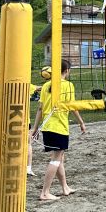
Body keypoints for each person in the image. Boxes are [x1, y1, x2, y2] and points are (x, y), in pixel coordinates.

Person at [31, 60, 86, 201]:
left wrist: (35, 128)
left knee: (59, 158)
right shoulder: (67, 85)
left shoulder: (46, 85)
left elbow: (40, 109)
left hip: (47, 127)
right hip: (58, 127)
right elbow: (72, 107)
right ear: (67, 70)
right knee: (56, 159)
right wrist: (81, 122)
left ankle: (65, 187)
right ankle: (45, 192)